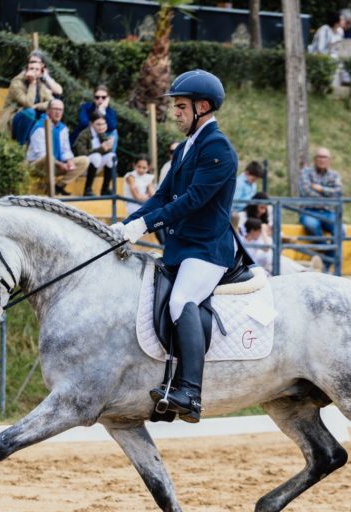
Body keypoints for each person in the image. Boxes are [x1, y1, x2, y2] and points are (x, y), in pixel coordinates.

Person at [112, 70, 240, 423]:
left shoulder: (218, 147)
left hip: (208, 248)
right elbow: (162, 196)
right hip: (182, 246)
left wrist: (145, 225)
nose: (176, 113)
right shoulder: (185, 148)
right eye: (176, 107)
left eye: (181, 106)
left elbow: (193, 200)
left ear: (203, 107)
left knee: (182, 300)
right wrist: (126, 225)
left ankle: (190, 392)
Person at [26, 99, 88, 196]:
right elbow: (41, 155)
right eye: (55, 109)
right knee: (49, 157)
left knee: (84, 161)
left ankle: (59, 186)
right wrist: (59, 164)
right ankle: (48, 188)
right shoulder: (40, 127)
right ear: (48, 111)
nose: (58, 112)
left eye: (60, 110)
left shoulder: (63, 129)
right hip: (38, 166)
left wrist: (69, 161)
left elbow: (65, 150)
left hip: (56, 164)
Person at [0, 51, 63, 143]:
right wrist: (32, 83)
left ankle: (48, 146)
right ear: (26, 69)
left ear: (41, 70)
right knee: (30, 112)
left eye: (37, 69)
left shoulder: (40, 83)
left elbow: (53, 102)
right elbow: (28, 104)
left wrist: (38, 106)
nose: (34, 71)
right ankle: (20, 145)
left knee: (50, 114)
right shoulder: (17, 83)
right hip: (15, 117)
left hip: (34, 115)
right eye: (31, 67)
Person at [299, 147, 343, 271]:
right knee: (311, 225)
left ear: (329, 160)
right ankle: (328, 254)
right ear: (315, 159)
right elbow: (306, 191)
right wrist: (328, 195)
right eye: (319, 157)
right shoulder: (305, 172)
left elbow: (338, 192)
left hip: (328, 212)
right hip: (309, 211)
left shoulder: (334, 175)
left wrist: (321, 189)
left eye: (325, 157)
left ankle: (326, 264)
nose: (322, 160)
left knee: (341, 230)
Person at [73, 112, 117, 197]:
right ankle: (87, 189)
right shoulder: (84, 134)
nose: (101, 127)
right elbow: (82, 153)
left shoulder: (101, 133)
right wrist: (101, 149)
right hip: (82, 167)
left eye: (103, 124)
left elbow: (107, 151)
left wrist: (108, 142)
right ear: (91, 124)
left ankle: (105, 189)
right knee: (96, 156)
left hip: (95, 167)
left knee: (112, 157)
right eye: (98, 124)